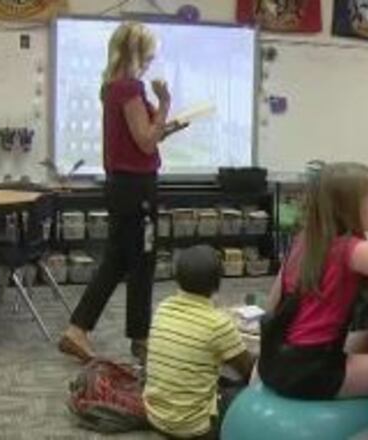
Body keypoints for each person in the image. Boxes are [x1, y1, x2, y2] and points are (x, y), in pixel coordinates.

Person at [60, 22, 188, 363]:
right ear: (136, 52)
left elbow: (141, 138)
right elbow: (146, 141)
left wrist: (164, 124)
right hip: (136, 187)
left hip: (124, 184)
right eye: (147, 53)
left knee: (117, 260)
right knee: (142, 261)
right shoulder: (129, 88)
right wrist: (165, 103)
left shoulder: (113, 86)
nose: (150, 60)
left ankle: (78, 329)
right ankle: (140, 339)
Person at [257, 162, 368, 400]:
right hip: (312, 371)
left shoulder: (304, 241)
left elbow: (271, 306)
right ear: (351, 208)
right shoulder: (352, 249)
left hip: (275, 361)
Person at [143, 245, 253, 439]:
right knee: (246, 396)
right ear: (217, 283)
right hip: (194, 428)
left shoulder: (163, 308)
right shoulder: (218, 323)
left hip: (155, 417)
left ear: (177, 279)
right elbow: (247, 370)